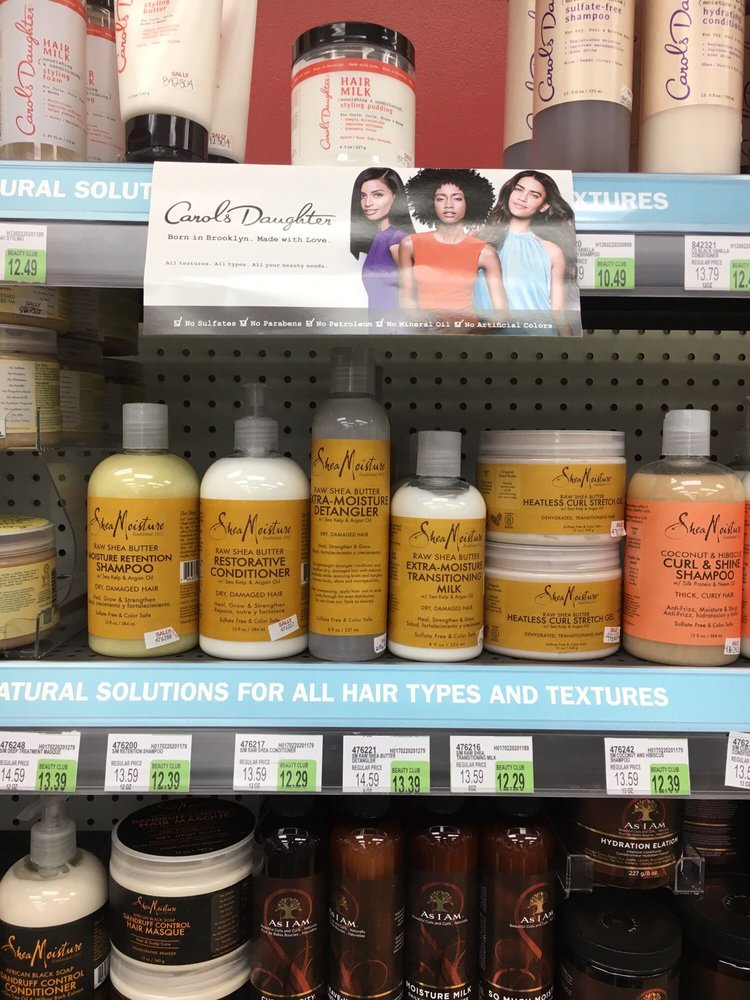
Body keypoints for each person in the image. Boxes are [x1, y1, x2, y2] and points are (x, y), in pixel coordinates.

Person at [398, 168, 507, 317]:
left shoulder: (485, 253)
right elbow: (405, 299)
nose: (448, 204)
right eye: (440, 199)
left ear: (469, 202)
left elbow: (502, 315)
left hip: (467, 329)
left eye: (457, 198)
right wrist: (425, 321)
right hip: (426, 329)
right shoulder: (410, 244)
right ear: (431, 203)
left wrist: (468, 327)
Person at [479, 169, 576, 313]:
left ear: (544, 206)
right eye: (519, 189)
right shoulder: (480, 239)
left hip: (536, 327)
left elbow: (558, 314)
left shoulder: (552, 251)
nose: (522, 198)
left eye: (534, 195)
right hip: (484, 326)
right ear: (510, 192)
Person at [350, 167, 414, 312]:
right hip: (378, 323)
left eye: (377, 195)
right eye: (363, 196)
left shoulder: (397, 240)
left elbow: (414, 295)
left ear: (395, 197)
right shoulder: (378, 238)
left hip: (394, 324)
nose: (367, 203)